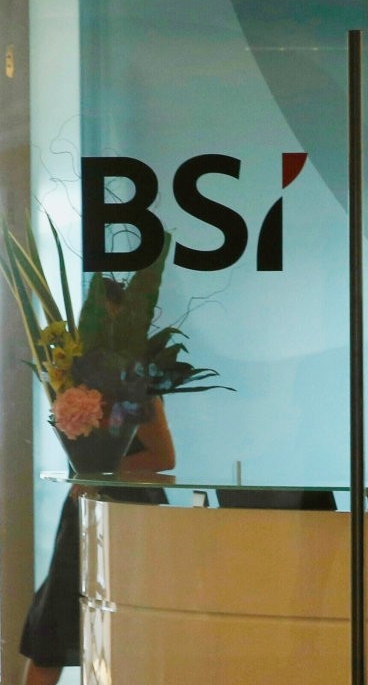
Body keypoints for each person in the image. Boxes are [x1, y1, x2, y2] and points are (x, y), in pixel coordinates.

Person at [20, 278, 177, 685]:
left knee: (118, 630)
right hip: (87, 510)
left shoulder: (136, 384)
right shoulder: (79, 377)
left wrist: (101, 470)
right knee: (51, 630)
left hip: (127, 514)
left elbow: (163, 458)